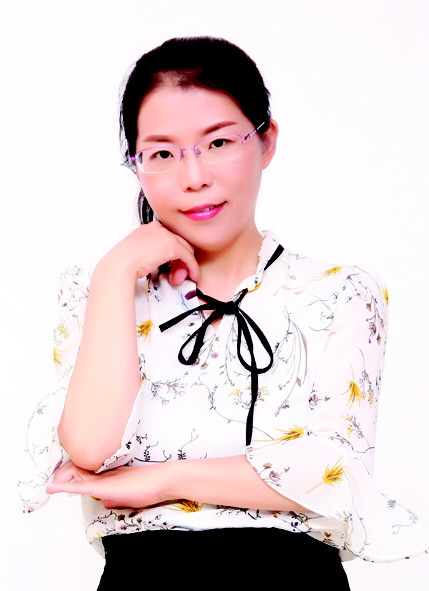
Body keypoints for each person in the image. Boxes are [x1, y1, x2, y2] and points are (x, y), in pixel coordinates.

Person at [19, 37, 429, 589]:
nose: (194, 177)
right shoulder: (100, 292)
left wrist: (161, 481)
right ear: (136, 165)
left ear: (266, 141)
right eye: (162, 154)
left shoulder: (338, 292)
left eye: (217, 143)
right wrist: (116, 270)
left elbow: (335, 472)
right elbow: (89, 448)